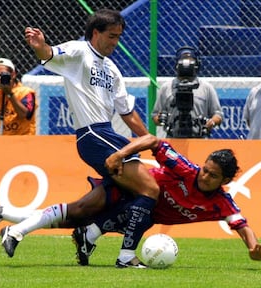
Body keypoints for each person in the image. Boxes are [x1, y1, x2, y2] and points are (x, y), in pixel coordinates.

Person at [0, 134, 261, 267]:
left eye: (212, 175)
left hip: (137, 212)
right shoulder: (185, 169)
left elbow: (242, 224)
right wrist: (121, 155)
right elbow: (154, 141)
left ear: (225, 181)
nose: (204, 176)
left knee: (71, 217)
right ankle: (122, 255)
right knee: (79, 211)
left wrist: (253, 246)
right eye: (205, 169)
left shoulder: (221, 203)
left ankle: (4, 214)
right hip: (128, 190)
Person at [23, 9, 159, 267]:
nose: (115, 42)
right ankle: (125, 256)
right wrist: (40, 47)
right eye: (111, 36)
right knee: (149, 189)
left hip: (108, 132)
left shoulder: (113, 69)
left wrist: (153, 141)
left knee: (127, 197)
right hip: (92, 133)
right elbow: (49, 54)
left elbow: (127, 113)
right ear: (95, 33)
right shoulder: (78, 52)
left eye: (119, 37)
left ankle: (89, 232)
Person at [152, 46, 223, 138]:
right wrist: (161, 119)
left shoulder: (206, 87)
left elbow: (218, 114)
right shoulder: (166, 88)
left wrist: (211, 122)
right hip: (173, 137)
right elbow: (155, 116)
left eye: (190, 59)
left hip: (199, 137)